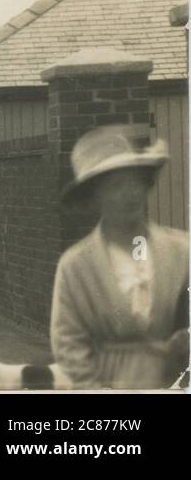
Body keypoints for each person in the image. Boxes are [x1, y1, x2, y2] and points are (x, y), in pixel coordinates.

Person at [50, 126, 190, 389]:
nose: (131, 194)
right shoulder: (75, 266)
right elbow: (69, 345)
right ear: (95, 197)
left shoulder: (182, 250)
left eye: (135, 181)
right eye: (116, 185)